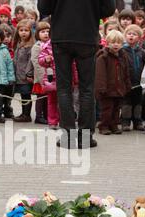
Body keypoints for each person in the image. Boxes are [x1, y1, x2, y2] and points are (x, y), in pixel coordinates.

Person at [38, 0, 116, 149]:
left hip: (62, 36)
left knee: (63, 88)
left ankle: (68, 136)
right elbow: (109, 9)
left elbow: (44, 7)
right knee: (87, 88)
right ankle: (85, 137)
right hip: (87, 36)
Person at [95, 30, 131, 135]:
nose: (116, 45)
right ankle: (104, 125)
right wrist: (101, 87)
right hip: (107, 89)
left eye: (118, 42)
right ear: (107, 43)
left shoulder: (123, 56)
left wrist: (127, 85)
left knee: (116, 109)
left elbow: (126, 71)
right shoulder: (103, 56)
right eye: (113, 42)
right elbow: (100, 74)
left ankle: (114, 124)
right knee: (107, 109)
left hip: (119, 88)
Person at [121, 24, 145, 131]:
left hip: (138, 82)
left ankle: (137, 121)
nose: (131, 36)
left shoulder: (141, 52)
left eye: (134, 34)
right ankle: (125, 122)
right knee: (126, 103)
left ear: (139, 38)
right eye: (129, 34)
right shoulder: (122, 51)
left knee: (138, 103)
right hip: (126, 82)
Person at [12, 19, 35, 123]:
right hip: (19, 75)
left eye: (26, 30)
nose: (23, 32)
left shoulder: (30, 46)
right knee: (22, 95)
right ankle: (23, 113)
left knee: (26, 95)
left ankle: (27, 115)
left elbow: (31, 62)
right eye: (21, 30)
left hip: (26, 76)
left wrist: (29, 74)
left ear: (30, 32)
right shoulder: (18, 44)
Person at [30, 21, 50, 125]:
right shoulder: (37, 47)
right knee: (41, 98)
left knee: (48, 98)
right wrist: (43, 78)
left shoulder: (51, 45)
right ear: (38, 34)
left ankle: (47, 115)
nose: (46, 34)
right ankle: (39, 116)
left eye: (48, 31)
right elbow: (36, 63)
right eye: (43, 32)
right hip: (41, 78)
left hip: (50, 76)